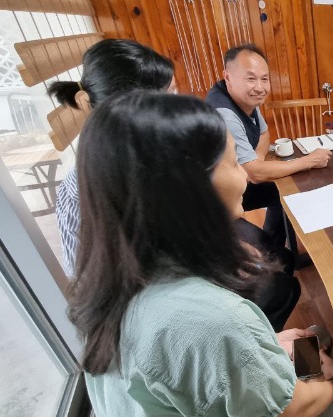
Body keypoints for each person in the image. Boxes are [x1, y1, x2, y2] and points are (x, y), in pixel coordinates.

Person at [70, 91, 333, 416]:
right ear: (189, 188)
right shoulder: (214, 323)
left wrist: (264, 346)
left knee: (315, 337)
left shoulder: (115, 279)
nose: (244, 174)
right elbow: (290, 408)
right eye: (231, 162)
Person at [49, 39, 299, 330]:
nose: (176, 105)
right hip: (149, 313)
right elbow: (140, 289)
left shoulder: (140, 156)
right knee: (278, 283)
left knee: (274, 263)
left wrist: (224, 245)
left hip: (179, 283)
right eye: (168, 97)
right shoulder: (113, 187)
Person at [48, 38, 177, 277]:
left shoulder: (161, 153)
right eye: (153, 104)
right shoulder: (80, 192)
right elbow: (83, 277)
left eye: (172, 95)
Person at [206, 44, 331, 257]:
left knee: (281, 190)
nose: (259, 87)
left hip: (238, 184)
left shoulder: (246, 100)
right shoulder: (225, 114)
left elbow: (264, 134)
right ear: (227, 77)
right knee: (285, 187)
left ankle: (277, 247)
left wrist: (257, 159)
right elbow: (254, 173)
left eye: (264, 79)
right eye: (251, 78)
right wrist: (309, 161)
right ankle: (276, 256)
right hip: (216, 205)